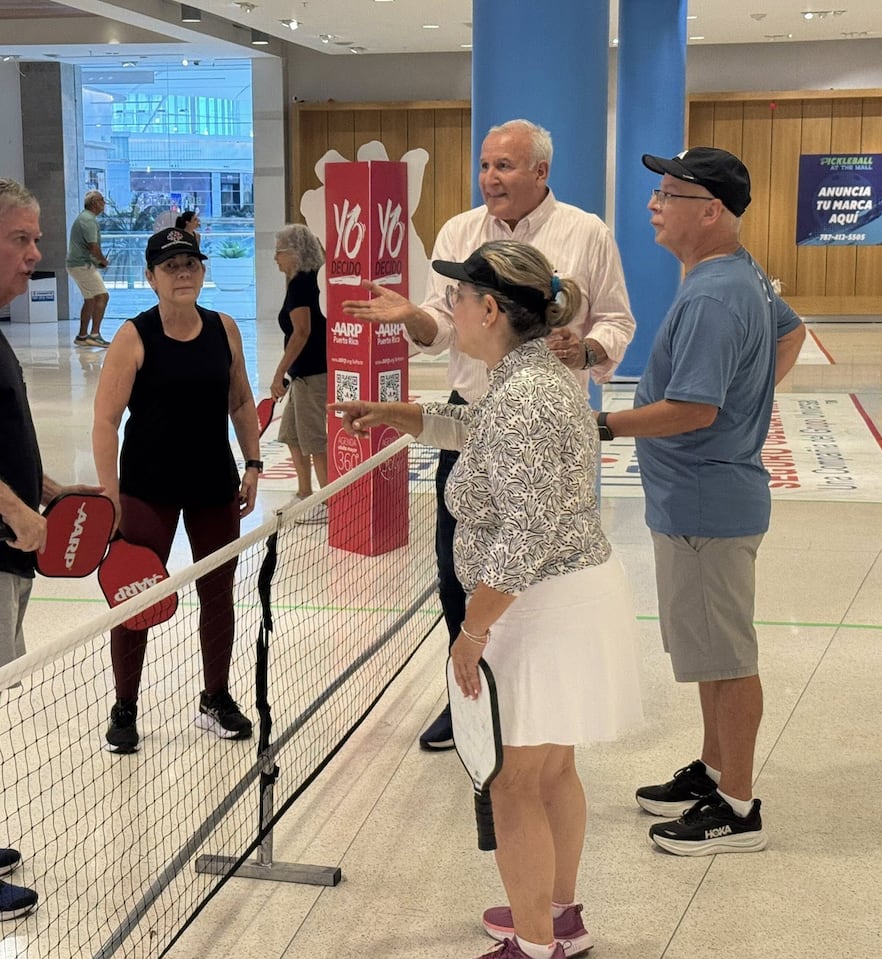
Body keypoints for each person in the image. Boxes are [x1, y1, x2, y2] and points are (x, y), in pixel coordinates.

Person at [333, 240, 641, 959]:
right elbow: (475, 428)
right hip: (563, 599)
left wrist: (472, 632)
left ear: (491, 309)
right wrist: (397, 414)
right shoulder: (531, 376)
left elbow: (527, 532)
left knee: (511, 781)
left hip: (537, 610)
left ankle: (534, 952)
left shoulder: (528, 392)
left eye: (458, 299)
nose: (452, 310)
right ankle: (557, 917)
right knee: (553, 771)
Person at [342, 118, 635, 751]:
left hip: (533, 419)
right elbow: (446, 333)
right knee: (458, 560)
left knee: (527, 551)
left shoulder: (586, 233)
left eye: (504, 166)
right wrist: (415, 325)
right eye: (484, 165)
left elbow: (616, 320)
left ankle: (501, 673)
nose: (490, 178)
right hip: (480, 407)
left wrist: (583, 349)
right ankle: (469, 689)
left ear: (540, 173)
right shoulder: (460, 229)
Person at [594, 147, 806, 856]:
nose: (653, 205)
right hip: (703, 496)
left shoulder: (716, 294)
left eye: (668, 195)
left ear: (709, 211)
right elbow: (790, 331)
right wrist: (753, 395)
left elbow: (690, 409)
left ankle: (738, 808)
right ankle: (716, 770)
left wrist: (603, 423)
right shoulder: (736, 273)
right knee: (708, 651)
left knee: (727, 654)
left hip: (706, 500)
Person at [92, 227, 262, 754]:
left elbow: (240, 402)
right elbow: (105, 421)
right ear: (150, 278)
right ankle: (124, 706)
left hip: (213, 483)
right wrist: (110, 496)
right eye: (171, 266)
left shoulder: (223, 328)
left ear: (203, 272)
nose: (183, 272)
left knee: (218, 595)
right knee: (136, 598)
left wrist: (253, 462)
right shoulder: (133, 336)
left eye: (191, 263)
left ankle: (214, 698)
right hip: (147, 488)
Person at [0, 177, 103, 921]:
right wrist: (16, 514)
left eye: (38, 239)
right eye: (21, 240)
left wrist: (42, 483)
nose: (36, 256)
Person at [270, 223, 328, 522]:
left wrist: (278, 371)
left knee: (313, 438)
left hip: (313, 373)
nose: (275, 259)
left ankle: (329, 501)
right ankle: (305, 493)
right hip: (302, 374)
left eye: (279, 252)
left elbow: (301, 332)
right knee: (292, 434)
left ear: (293, 253)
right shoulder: (304, 280)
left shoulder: (303, 284)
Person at [66, 189, 111, 348]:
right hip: (82, 265)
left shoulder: (84, 218)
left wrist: (96, 261)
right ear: (94, 203)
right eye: (101, 200)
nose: (104, 203)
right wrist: (103, 260)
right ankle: (95, 335)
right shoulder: (89, 220)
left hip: (77, 264)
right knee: (103, 296)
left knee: (91, 299)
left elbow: (86, 246)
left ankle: (82, 336)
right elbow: (92, 246)